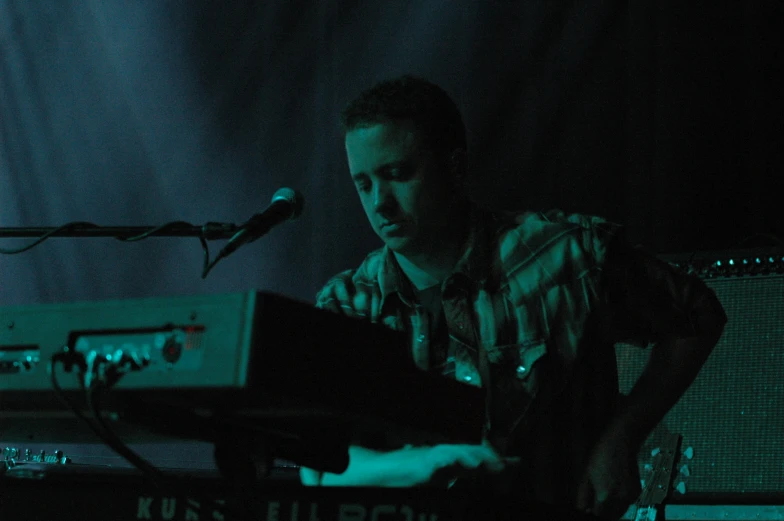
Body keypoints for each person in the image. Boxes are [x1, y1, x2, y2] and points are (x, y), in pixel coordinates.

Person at [300, 75, 727, 520]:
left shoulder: (564, 255)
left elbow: (698, 314)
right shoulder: (347, 303)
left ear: (456, 166)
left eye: (397, 174)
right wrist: (425, 462)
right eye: (363, 184)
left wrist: (623, 437)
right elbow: (320, 467)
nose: (379, 203)